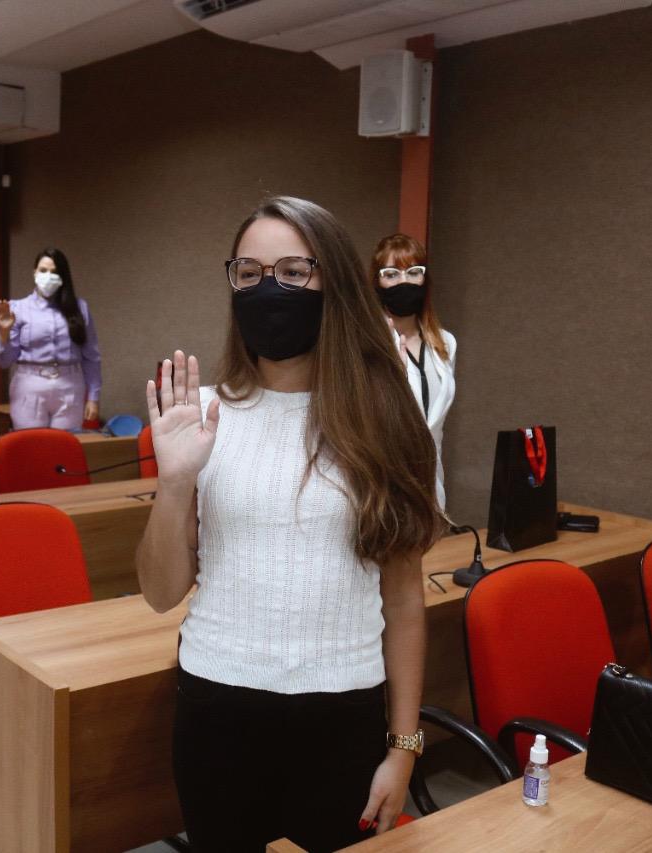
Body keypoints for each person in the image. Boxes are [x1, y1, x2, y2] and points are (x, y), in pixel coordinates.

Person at [136, 197, 445, 852]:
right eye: (249, 273)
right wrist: (175, 481)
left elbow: (404, 601)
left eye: (293, 272)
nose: (268, 288)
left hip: (343, 715)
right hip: (217, 711)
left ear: (335, 283)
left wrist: (404, 747)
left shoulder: (383, 420)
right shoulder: (204, 417)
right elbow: (160, 593)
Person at [371, 234, 456, 509]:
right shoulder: (367, 343)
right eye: (391, 274)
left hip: (430, 487)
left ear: (424, 279)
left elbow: (435, 427)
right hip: (381, 485)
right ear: (377, 282)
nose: (403, 282)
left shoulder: (446, 343)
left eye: (413, 272)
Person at [0, 248, 102, 430]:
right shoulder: (17, 308)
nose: (48, 276)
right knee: (31, 443)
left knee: (64, 444)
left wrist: (93, 397)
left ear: (63, 276)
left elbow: (91, 356)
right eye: (43, 270)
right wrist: (4, 332)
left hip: (70, 386)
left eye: (54, 272)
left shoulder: (79, 308)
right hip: (29, 385)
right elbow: (4, 361)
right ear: (34, 272)